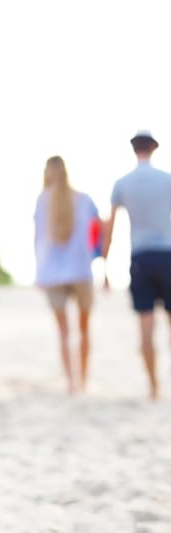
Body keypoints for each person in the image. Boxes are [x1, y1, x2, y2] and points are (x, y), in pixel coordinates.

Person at [103, 130, 171, 400]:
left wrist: (105, 267)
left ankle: (154, 386)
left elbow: (110, 227)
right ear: (154, 148)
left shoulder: (122, 183)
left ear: (134, 150)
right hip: (167, 254)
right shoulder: (166, 180)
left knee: (145, 326)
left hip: (140, 257)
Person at [34, 156, 103, 394]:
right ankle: (82, 378)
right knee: (83, 329)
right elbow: (97, 232)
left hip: (52, 273)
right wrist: (95, 255)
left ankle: (70, 382)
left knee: (63, 331)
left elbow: (38, 240)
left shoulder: (42, 201)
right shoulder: (84, 200)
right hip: (81, 269)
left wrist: (39, 273)